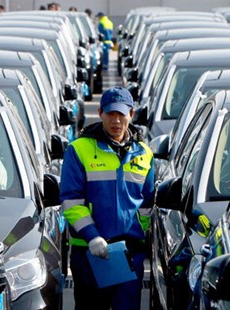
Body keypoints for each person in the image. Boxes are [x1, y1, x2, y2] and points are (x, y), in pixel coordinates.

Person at [60, 86, 155, 310]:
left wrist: (136, 236)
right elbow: (71, 201)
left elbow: (147, 204)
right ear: (100, 113)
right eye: (111, 114)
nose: (116, 121)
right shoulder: (79, 150)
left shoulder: (144, 154)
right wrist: (92, 236)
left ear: (131, 115)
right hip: (89, 253)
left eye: (121, 114)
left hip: (128, 253)